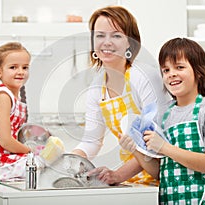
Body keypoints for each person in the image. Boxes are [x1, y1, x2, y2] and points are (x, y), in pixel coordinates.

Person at [119, 37, 205, 204]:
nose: (171, 74)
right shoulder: (163, 114)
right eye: (166, 70)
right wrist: (135, 149)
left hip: (203, 200)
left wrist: (164, 147)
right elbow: (159, 172)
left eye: (179, 67)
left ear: (198, 71)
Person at [72, 5, 170, 186]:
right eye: (100, 35)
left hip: (164, 176)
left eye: (116, 35)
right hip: (135, 180)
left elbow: (157, 139)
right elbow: (91, 141)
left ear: (129, 43)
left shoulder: (143, 77)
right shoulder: (97, 87)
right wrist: (68, 161)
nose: (106, 42)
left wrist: (118, 175)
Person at [0, 42, 44, 181]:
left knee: (42, 164)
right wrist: (31, 151)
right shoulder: (3, 96)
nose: (21, 71)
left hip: (5, 157)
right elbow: (5, 141)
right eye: (13, 67)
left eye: (25, 67)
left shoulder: (15, 98)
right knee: (41, 164)